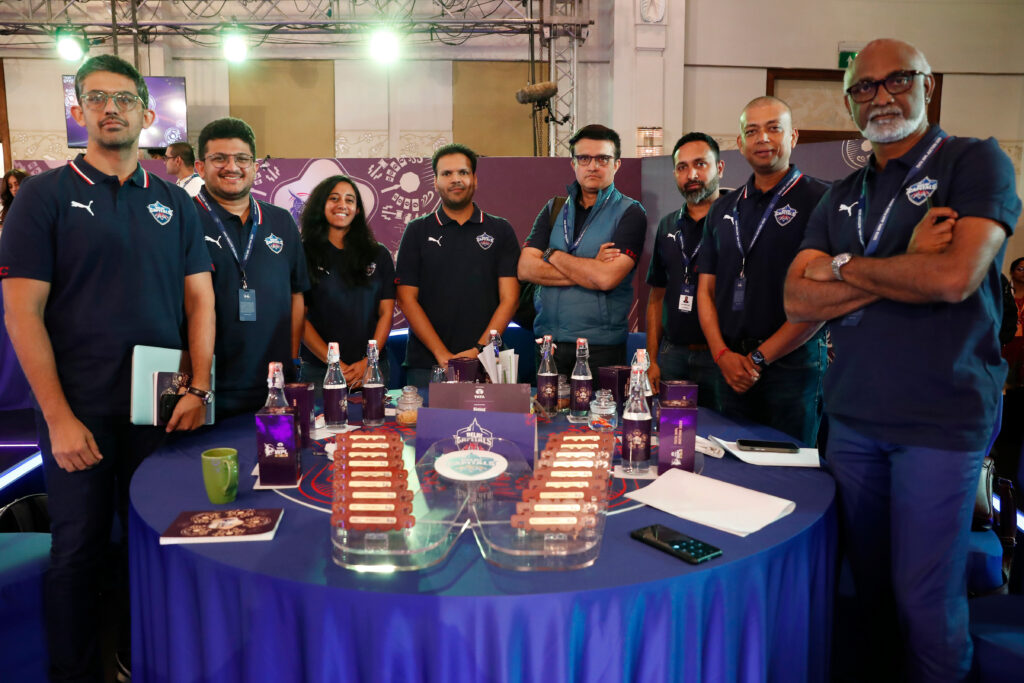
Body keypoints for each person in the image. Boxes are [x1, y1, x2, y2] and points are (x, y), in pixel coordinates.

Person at [784, 39, 1022, 681]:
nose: (882, 95)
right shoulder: (840, 195)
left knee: (926, 603)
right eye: (865, 86)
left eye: (898, 80)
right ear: (849, 101)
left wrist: (842, 267)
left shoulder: (975, 162)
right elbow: (797, 297)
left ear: (928, 85)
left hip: (939, 421)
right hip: (854, 420)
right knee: (867, 595)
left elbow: (953, 278)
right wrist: (902, 258)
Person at [0, 54, 215, 682]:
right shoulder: (43, 198)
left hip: (159, 407)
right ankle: (73, 671)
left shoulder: (174, 203)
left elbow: (199, 299)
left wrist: (198, 386)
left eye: (124, 99)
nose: (111, 109)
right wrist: (59, 417)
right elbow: (22, 314)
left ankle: (132, 660)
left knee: (149, 545)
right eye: (97, 98)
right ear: (78, 111)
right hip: (80, 413)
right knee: (77, 551)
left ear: (148, 115)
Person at [695, 97, 829, 446]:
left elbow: (820, 301)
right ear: (739, 143)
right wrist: (722, 355)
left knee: (789, 474)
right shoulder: (724, 207)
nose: (763, 138)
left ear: (793, 136)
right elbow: (705, 292)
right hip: (728, 364)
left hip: (791, 367)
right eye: (752, 131)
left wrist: (758, 359)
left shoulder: (821, 200)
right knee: (732, 473)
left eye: (774, 128)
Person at [194, 117, 309, 417]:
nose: (232, 166)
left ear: (255, 166)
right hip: (207, 388)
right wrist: (196, 383)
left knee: (277, 461)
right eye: (219, 158)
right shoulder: (185, 219)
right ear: (200, 167)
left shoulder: (281, 220)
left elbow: (297, 294)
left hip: (275, 384)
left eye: (242, 158)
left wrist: (293, 358)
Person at [518, 124, 647, 376]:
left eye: (602, 158)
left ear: (616, 164)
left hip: (601, 347)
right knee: (548, 415)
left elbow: (607, 278)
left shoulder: (630, 213)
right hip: (548, 343)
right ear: (573, 164)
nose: (593, 165)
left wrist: (551, 254)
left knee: (602, 416)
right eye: (584, 158)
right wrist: (590, 268)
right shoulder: (554, 209)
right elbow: (525, 268)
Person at [395, 143, 520, 387]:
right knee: (423, 427)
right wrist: (442, 354)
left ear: (474, 179)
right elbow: (406, 299)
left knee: (489, 427)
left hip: (488, 363)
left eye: (463, 172)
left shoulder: (500, 229)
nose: (456, 179)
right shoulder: (417, 230)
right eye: (447, 173)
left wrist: (479, 350)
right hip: (427, 364)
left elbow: (510, 299)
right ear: (435, 181)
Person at [645, 132, 724, 405]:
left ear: (719, 168)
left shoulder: (737, 220)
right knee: (671, 441)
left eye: (700, 164)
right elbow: (656, 296)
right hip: (672, 356)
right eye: (682, 167)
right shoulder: (667, 225)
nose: (691, 174)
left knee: (723, 437)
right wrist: (652, 360)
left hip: (721, 357)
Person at [300, 175, 395, 391]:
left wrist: (369, 361)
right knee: (320, 426)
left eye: (350, 200)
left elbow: (386, 313)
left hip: (371, 368)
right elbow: (300, 319)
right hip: (319, 370)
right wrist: (334, 364)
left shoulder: (378, 254)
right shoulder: (303, 254)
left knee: (377, 425)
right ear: (321, 205)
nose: (342, 205)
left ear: (358, 210)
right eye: (334, 198)